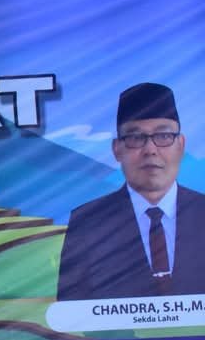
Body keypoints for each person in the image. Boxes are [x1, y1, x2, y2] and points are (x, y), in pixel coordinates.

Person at [57, 82, 205, 301]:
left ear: (181, 145)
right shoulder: (87, 223)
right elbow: (71, 309)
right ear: (117, 149)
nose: (150, 150)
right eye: (136, 138)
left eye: (163, 136)